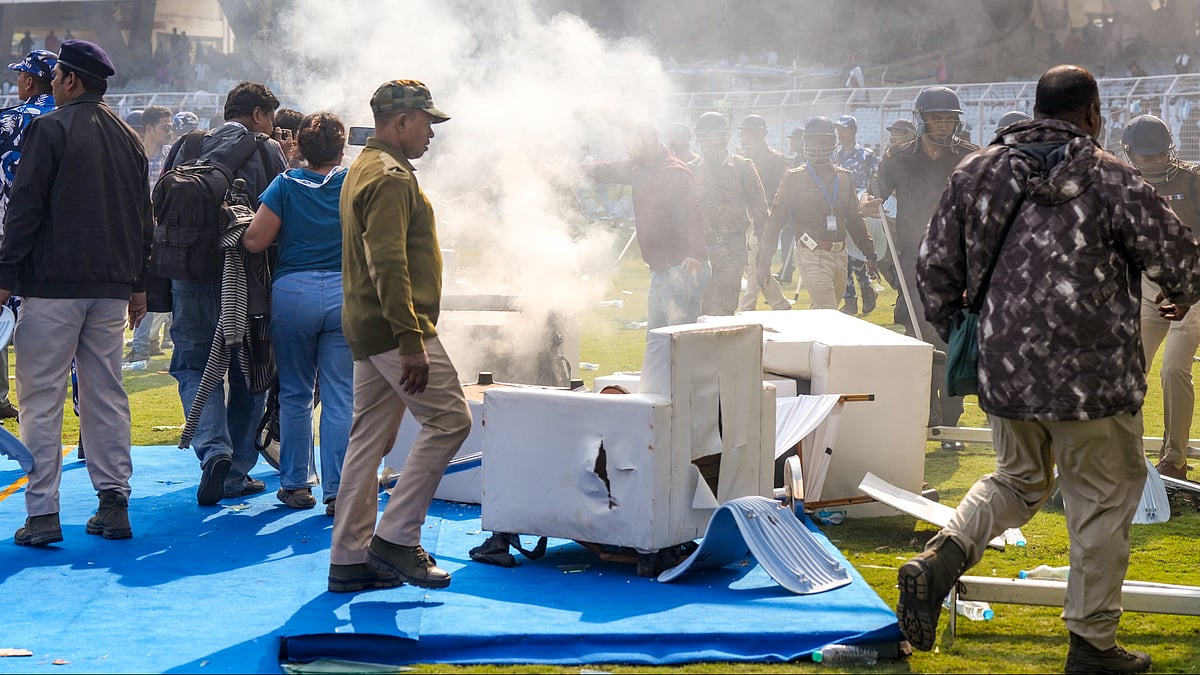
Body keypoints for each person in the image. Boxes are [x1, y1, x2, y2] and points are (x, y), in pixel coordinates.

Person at [906, 65, 1200, 673]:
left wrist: (972, 337)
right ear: (1093, 114)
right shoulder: (1113, 176)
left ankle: (943, 556)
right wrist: (1179, 290)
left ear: (1036, 109)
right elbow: (1179, 257)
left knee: (1014, 481)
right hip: (1096, 381)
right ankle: (1091, 647)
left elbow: (934, 271)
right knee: (1100, 500)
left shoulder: (975, 172)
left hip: (1009, 372)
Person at [0, 39, 152, 546]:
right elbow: (142, 218)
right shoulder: (128, 137)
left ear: (70, 80)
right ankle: (114, 503)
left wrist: (4, 276)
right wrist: (136, 286)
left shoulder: (49, 128)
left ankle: (43, 513)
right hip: (109, 288)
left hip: (52, 286)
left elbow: (25, 210)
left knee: (41, 400)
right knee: (106, 395)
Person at [329, 80, 472, 593]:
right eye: (428, 122)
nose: (432, 133)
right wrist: (412, 339)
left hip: (370, 326)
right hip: (394, 329)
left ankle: (348, 558)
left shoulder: (363, 168)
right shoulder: (391, 177)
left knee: (367, 443)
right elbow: (386, 262)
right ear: (402, 122)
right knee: (452, 420)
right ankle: (396, 537)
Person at [166, 81, 284, 506]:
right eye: (269, 117)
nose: (272, 126)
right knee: (253, 371)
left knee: (194, 364)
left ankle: (212, 450)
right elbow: (282, 214)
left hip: (190, 277)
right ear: (257, 114)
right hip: (250, 279)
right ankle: (234, 472)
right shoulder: (267, 151)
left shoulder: (187, 146)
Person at [242, 112, 351, 515]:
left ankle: (296, 484)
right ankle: (339, 490)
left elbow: (255, 240)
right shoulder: (353, 182)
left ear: (299, 148)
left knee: (295, 393)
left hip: (293, 293)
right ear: (341, 148)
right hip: (345, 293)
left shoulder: (285, 184)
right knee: (341, 395)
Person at [872, 85, 978, 433]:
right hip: (911, 263)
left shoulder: (970, 156)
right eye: (937, 119)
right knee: (918, 338)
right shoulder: (896, 157)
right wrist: (868, 203)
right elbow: (875, 195)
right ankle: (924, 410)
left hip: (955, 265)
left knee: (952, 340)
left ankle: (951, 421)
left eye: (950, 119)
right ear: (922, 120)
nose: (944, 126)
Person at [1122, 115, 1200, 481]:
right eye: (1146, 156)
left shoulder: (1193, 180)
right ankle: (1129, 457)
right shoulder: (1122, 185)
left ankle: (1175, 460)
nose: (1154, 162)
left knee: (1173, 368)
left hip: (1191, 286)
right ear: (1130, 154)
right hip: (1147, 286)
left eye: (1158, 155)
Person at [588, 127, 708, 330]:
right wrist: (567, 170)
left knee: (679, 339)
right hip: (662, 268)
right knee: (657, 337)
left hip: (682, 267)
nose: (629, 151)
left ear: (649, 143)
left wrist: (696, 253)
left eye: (633, 145)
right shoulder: (641, 167)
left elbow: (693, 215)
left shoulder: (674, 171)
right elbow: (606, 169)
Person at [759, 117, 877, 310]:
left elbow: (855, 220)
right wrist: (764, 261)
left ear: (833, 143)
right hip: (811, 252)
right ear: (805, 143)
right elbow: (775, 222)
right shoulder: (794, 178)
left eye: (823, 141)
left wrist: (869, 254)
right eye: (812, 141)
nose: (817, 146)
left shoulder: (844, 177)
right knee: (827, 310)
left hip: (840, 255)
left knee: (822, 313)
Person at [0, 49, 58, 423]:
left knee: (7, 324)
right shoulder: (77, 117)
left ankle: (19, 414)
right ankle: (87, 426)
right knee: (71, 345)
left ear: (29, 80)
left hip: (10, 240)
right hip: (65, 244)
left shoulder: (9, 119)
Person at [688, 111, 770, 316]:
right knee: (696, 307)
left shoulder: (743, 167)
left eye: (714, 136)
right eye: (705, 137)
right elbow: (681, 214)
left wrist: (763, 254)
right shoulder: (690, 170)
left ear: (725, 136)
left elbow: (760, 212)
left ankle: (721, 347)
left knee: (724, 308)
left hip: (731, 248)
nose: (710, 142)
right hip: (699, 249)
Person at [125, 104, 174, 363]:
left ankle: (144, 346)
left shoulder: (171, 157)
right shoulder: (131, 154)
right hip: (136, 231)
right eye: (165, 127)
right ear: (149, 129)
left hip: (161, 232)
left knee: (156, 286)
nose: (171, 131)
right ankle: (144, 344)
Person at [735, 114, 790, 312]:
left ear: (762, 134)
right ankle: (780, 304)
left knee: (754, 264)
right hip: (742, 219)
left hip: (763, 219)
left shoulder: (775, 160)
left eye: (750, 133)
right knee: (749, 265)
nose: (745, 137)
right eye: (744, 133)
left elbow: (783, 191)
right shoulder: (739, 158)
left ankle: (746, 309)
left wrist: (774, 219)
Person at [832, 114, 879, 316]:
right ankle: (852, 297)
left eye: (843, 129)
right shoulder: (833, 155)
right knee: (843, 253)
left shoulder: (867, 155)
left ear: (853, 131)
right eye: (838, 130)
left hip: (860, 206)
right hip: (838, 207)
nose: (840, 134)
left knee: (856, 251)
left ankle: (865, 288)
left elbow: (875, 183)